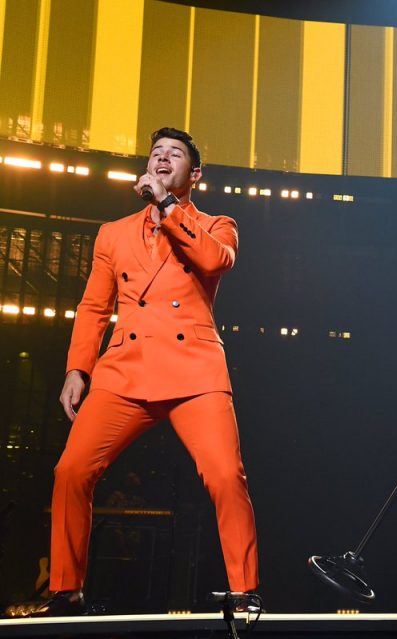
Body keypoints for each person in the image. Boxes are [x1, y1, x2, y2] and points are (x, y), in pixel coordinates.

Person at [28, 127, 259, 616]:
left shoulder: (218, 225)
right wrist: (77, 369)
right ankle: (67, 590)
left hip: (194, 373)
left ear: (194, 174)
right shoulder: (112, 233)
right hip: (125, 371)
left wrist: (168, 206)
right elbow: (94, 307)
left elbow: (213, 261)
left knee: (225, 475)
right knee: (71, 470)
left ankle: (245, 591)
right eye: (156, 153)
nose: (162, 159)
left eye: (174, 154)